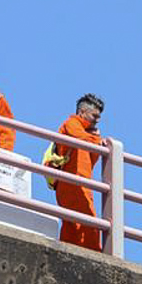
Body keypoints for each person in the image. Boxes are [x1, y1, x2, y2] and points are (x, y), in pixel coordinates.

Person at [49, 94, 106, 249]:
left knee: (72, 223)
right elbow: (80, 138)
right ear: (82, 112)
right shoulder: (72, 123)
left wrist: (95, 138)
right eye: (95, 115)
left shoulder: (87, 131)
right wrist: (98, 141)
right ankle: (94, 257)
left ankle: (68, 252)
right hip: (74, 183)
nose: (97, 120)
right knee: (89, 222)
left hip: (74, 183)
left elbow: (91, 159)